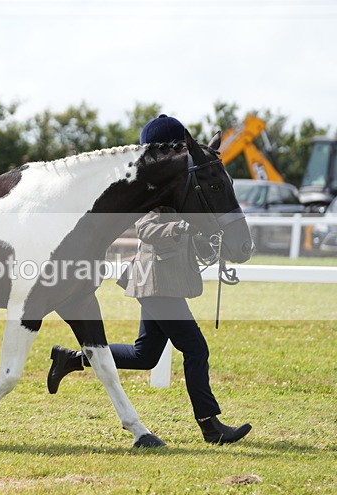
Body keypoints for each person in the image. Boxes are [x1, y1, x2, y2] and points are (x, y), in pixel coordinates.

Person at [47, 114, 252, 445]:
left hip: (163, 279)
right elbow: (146, 229)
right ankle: (210, 426)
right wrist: (184, 227)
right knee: (196, 349)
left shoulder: (176, 184)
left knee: (145, 355)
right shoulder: (154, 188)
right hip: (156, 280)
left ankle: (72, 358)